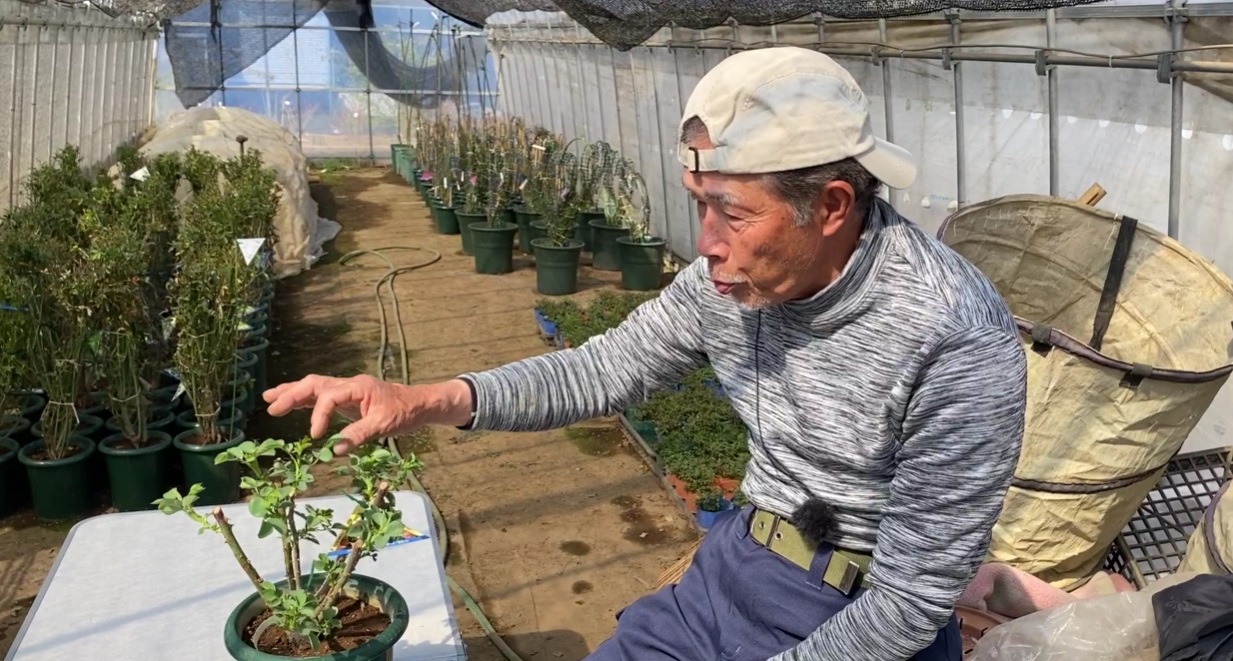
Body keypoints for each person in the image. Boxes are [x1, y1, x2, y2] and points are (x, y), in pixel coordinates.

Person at [264, 46, 1028, 661]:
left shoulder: (952, 335)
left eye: (731, 212)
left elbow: (907, 602)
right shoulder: (726, 282)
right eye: (699, 206)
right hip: (737, 564)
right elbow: (601, 368)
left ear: (830, 205)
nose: (705, 243)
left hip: (857, 617)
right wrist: (425, 400)